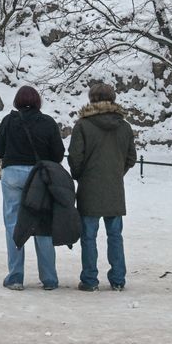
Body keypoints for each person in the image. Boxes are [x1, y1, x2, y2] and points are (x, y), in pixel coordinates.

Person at [0, 85, 64, 290]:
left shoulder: (9, 120)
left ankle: (15, 277)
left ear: (17, 101)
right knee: (42, 225)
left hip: (12, 174)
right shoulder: (47, 122)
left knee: (13, 224)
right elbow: (57, 154)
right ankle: (49, 278)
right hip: (38, 177)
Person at [68, 83, 136, 292]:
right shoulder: (124, 126)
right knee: (115, 235)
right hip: (114, 188)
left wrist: (81, 175)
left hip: (90, 188)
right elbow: (131, 158)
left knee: (88, 236)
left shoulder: (83, 125)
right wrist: (116, 172)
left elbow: (75, 157)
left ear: (92, 99)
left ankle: (90, 279)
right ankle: (117, 279)